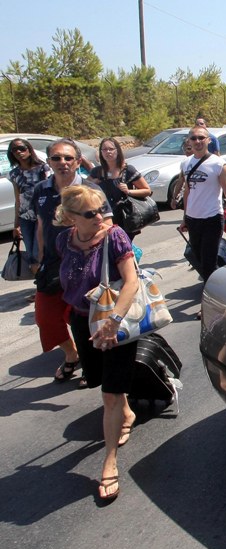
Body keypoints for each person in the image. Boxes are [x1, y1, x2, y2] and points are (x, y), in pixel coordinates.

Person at [55, 185, 138, 502]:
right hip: (82, 321)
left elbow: (131, 282)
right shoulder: (64, 240)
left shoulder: (114, 236)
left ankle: (109, 462)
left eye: (102, 209)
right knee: (101, 381)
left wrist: (113, 321)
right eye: (91, 213)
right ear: (71, 218)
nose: (100, 216)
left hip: (113, 321)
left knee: (109, 396)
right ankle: (127, 413)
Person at [34, 139, 113, 388]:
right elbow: (41, 226)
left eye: (68, 158)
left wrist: (84, 244)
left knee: (85, 317)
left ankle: (92, 364)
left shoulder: (91, 189)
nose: (63, 163)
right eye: (56, 158)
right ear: (49, 162)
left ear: (78, 161)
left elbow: (108, 225)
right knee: (45, 317)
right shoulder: (41, 190)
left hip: (86, 262)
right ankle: (72, 354)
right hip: (52, 264)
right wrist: (38, 257)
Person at [178, 125, 226, 289]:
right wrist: (185, 218)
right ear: (189, 141)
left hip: (212, 219)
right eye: (194, 138)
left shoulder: (219, 164)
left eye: (201, 138)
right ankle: (221, 286)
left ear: (209, 140)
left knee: (208, 261)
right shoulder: (186, 163)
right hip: (193, 219)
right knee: (198, 258)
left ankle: (211, 296)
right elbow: (188, 193)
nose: (197, 141)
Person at [88, 137, 152, 240]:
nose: (108, 152)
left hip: (124, 218)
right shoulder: (97, 172)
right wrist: (92, 184)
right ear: (101, 152)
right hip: (103, 217)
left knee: (123, 246)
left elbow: (147, 190)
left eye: (111, 149)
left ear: (117, 151)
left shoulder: (128, 170)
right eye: (104, 149)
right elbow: (84, 190)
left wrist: (128, 191)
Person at [8, 138, 51, 288]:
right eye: (14, 150)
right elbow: (17, 199)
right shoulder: (14, 174)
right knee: (32, 254)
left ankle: (44, 286)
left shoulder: (43, 168)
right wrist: (16, 225)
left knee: (38, 252)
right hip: (25, 217)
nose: (19, 152)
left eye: (21, 148)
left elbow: (49, 190)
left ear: (29, 149)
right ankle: (40, 287)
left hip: (42, 215)